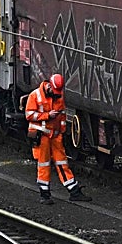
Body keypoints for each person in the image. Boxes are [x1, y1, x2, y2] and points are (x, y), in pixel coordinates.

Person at [25, 73, 92, 203]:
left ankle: (74, 192)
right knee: (43, 164)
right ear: (49, 85)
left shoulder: (58, 96)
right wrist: (47, 115)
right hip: (41, 135)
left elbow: (62, 116)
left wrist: (62, 131)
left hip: (55, 136)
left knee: (62, 163)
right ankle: (44, 195)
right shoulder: (35, 95)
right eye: (54, 91)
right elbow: (29, 115)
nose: (56, 94)